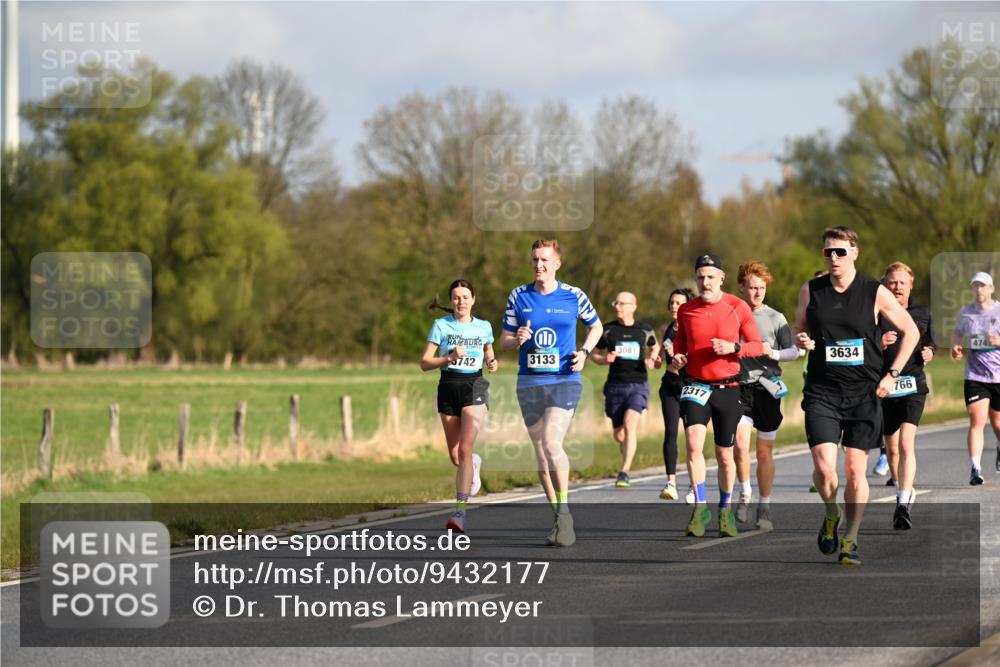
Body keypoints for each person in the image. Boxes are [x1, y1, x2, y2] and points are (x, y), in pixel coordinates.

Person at [793, 227, 919, 565]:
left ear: (854, 253)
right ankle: (831, 513)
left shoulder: (874, 292)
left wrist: (892, 375)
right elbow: (798, 329)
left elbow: (911, 331)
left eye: (840, 252)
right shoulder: (811, 290)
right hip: (822, 391)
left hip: (863, 393)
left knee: (853, 471)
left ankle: (850, 538)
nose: (833, 258)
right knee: (824, 468)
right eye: (828, 252)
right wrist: (801, 340)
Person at [501, 239, 603, 547]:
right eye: (534, 260)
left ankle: (567, 514)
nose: (539, 265)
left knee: (550, 442)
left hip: (564, 380)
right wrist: (516, 338)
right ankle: (559, 516)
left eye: (544, 260)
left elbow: (595, 326)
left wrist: (584, 351)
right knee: (541, 457)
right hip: (529, 382)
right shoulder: (518, 295)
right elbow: (504, 341)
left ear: (557, 263)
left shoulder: (574, 295)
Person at [671, 254, 768, 538]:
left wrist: (732, 348)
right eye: (700, 277)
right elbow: (681, 343)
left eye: (711, 277)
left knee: (725, 456)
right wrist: (678, 357)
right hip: (695, 385)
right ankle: (700, 508)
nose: (705, 282)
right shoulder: (686, 309)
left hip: (727, 387)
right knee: (692, 444)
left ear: (721, 279)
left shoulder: (738, 307)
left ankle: (725, 510)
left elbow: (757, 345)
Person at [421, 280, 498, 533]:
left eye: (465, 297)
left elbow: (488, 349)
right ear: (451, 301)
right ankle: (473, 464)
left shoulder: (483, 326)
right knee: (457, 456)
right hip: (448, 387)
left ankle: (459, 513)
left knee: (465, 448)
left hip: (474, 386)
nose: (461, 301)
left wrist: (491, 360)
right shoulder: (441, 326)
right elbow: (425, 362)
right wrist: (449, 357)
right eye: (456, 297)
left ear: (473, 299)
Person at [733, 260, 803, 531]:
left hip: (768, 388)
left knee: (763, 452)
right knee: (740, 443)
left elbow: (793, 352)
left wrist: (770, 352)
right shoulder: (732, 315)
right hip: (739, 387)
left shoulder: (776, 318)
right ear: (741, 288)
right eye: (752, 288)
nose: (758, 293)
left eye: (761, 288)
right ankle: (745, 492)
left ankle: (765, 505)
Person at [878, 262, 935, 529]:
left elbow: (930, 343)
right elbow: (864, 346)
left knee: (905, 444)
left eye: (902, 282)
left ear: (911, 285)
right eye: (892, 282)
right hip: (885, 387)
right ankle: (900, 483)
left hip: (913, 385)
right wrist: (880, 343)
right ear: (885, 284)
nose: (897, 286)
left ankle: (902, 503)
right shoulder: (878, 313)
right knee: (891, 446)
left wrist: (929, 352)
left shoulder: (922, 313)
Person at [591, 292, 659, 488]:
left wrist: (652, 358)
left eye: (622, 303)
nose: (617, 306)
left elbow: (654, 346)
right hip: (614, 386)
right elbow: (594, 353)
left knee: (630, 424)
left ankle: (624, 472)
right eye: (616, 302)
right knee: (619, 434)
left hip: (638, 384)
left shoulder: (644, 330)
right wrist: (604, 359)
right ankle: (625, 449)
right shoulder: (607, 330)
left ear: (633, 306)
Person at [950, 271, 1000, 485]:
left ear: (991, 288)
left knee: (997, 422)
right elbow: (957, 333)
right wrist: (955, 346)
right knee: (977, 420)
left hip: (998, 375)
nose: (979, 289)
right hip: (975, 375)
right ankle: (975, 468)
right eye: (975, 286)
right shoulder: (965, 312)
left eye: (983, 285)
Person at [654, 288, 695, 501]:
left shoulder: (693, 328)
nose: (673, 306)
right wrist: (659, 358)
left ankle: (693, 486)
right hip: (669, 385)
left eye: (678, 302)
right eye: (671, 302)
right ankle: (671, 483)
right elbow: (659, 357)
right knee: (670, 432)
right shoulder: (667, 328)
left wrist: (682, 355)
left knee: (692, 439)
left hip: (689, 385)